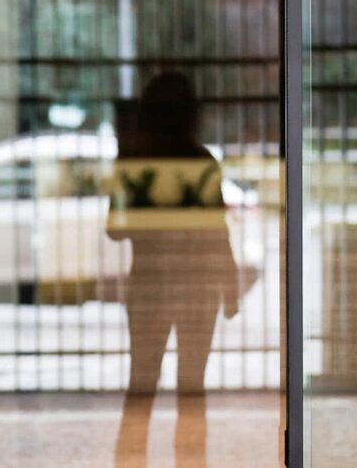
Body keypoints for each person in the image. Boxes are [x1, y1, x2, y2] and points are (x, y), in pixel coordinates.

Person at [108, 71, 240, 467]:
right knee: (191, 391)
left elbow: (114, 229)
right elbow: (218, 230)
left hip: (148, 285)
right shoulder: (202, 161)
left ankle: (130, 463)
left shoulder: (133, 160)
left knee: (142, 384)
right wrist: (229, 285)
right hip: (198, 288)